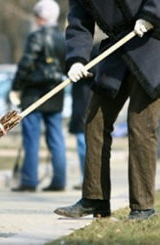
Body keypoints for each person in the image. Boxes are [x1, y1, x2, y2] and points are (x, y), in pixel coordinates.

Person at [54, 0, 160, 220]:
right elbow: (79, 23)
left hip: (152, 46)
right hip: (117, 49)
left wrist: (151, 15)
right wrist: (76, 59)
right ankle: (95, 199)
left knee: (140, 126)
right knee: (95, 120)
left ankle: (143, 207)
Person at [10, 0, 67, 192]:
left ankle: (29, 180)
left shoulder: (36, 37)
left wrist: (15, 87)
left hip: (34, 92)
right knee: (56, 137)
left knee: (31, 137)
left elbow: (26, 63)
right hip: (56, 91)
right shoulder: (62, 37)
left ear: (40, 17)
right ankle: (59, 180)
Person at [70, 45, 98, 190]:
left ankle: (88, 179)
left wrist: (90, 71)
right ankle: (86, 177)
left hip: (88, 101)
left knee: (84, 143)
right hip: (82, 100)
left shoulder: (97, 48)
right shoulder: (79, 49)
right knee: (82, 141)